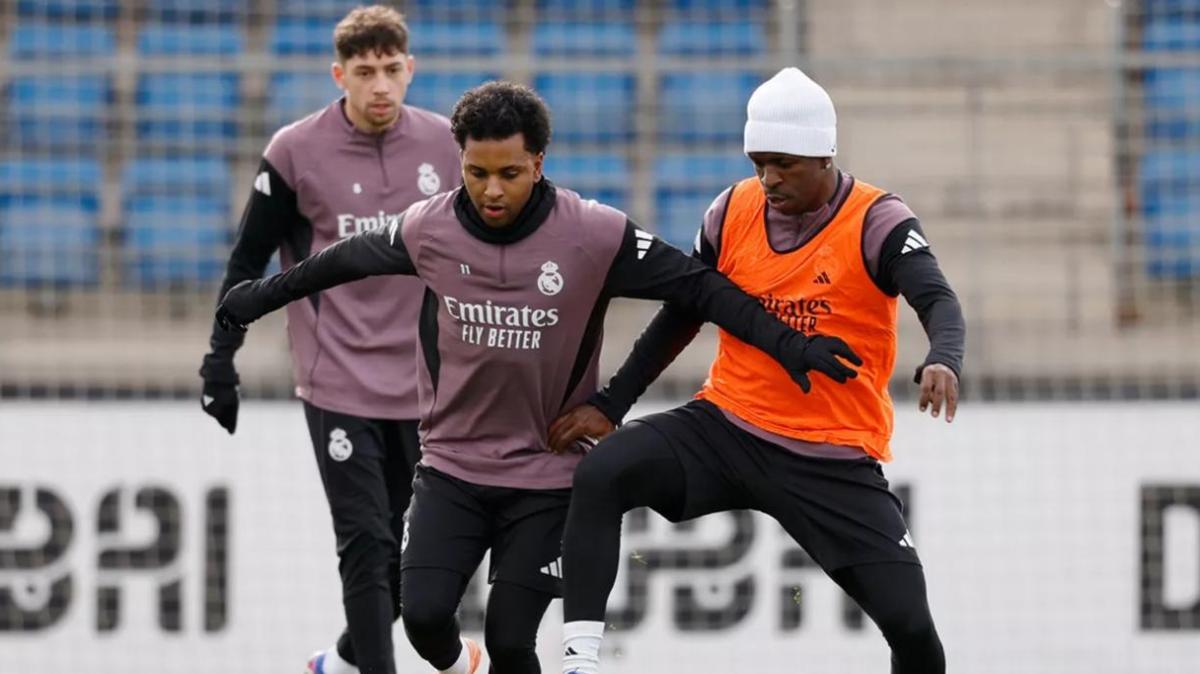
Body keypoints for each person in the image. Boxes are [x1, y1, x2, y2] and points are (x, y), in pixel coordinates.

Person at [214, 81, 861, 674]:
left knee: (510, 640)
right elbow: (338, 263)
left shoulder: (591, 234)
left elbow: (700, 289)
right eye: (476, 173)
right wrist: (256, 297)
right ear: (459, 163)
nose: (492, 190)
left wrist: (788, 345)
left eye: (510, 174)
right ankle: (456, 663)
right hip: (452, 468)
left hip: (548, 475)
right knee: (424, 617)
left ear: (540, 164)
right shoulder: (429, 228)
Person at [551, 67, 966, 674]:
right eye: (757, 163)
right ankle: (580, 661)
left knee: (909, 626)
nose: (767, 179)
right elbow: (683, 313)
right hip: (727, 426)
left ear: (824, 154)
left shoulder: (879, 220)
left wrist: (943, 358)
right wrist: (613, 403)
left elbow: (939, 299)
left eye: (784, 164)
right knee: (602, 473)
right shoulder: (731, 210)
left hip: (829, 454)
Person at [196, 6, 460, 674]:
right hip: (336, 378)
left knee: (409, 556)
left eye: (391, 70)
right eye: (364, 72)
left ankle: (340, 664)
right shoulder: (294, 151)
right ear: (338, 74)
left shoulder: (446, 147)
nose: (379, 86)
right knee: (366, 544)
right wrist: (219, 360)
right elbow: (247, 260)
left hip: (425, 386)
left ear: (411, 69)